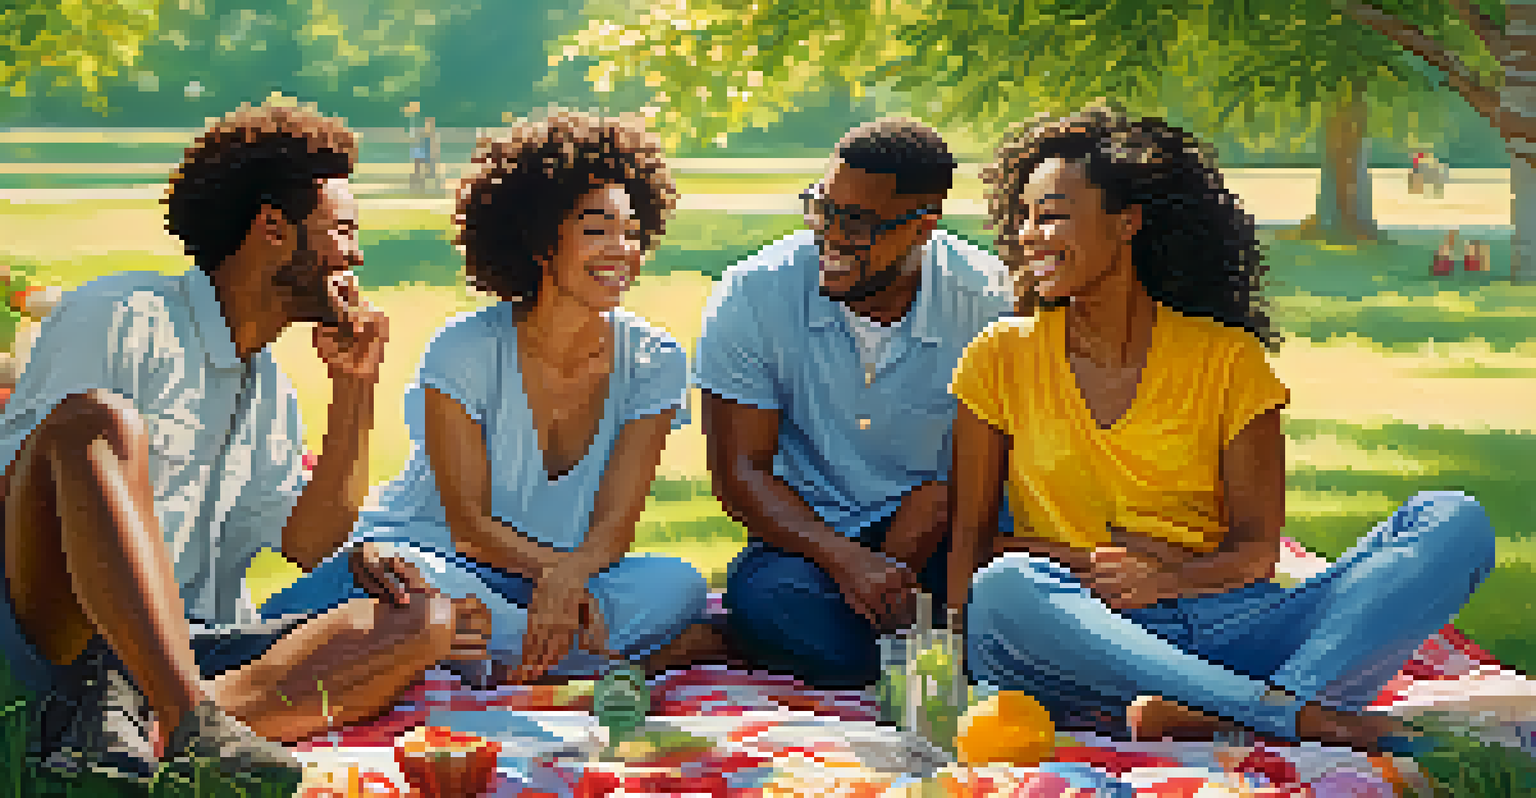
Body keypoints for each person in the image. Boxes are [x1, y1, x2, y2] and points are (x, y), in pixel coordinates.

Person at [948, 105, 1497, 751]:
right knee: (1005, 589)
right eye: (1025, 218)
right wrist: (1069, 572)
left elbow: (1258, 552)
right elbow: (974, 545)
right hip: (1083, 636)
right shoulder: (1000, 355)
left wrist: (1169, 580)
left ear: (1128, 222)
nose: (1030, 236)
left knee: (1452, 520)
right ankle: (1296, 714)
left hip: (1227, 627)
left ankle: (1230, 713)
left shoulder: (1227, 360)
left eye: (1054, 215)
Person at [0, 99, 495, 784]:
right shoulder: (120, 315)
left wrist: (355, 387)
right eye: (342, 230)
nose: (355, 254)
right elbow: (26, 498)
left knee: (424, 620)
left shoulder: (269, 391)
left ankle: (147, 731)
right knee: (99, 423)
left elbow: (310, 542)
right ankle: (185, 724)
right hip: (59, 641)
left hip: (189, 645)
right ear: (271, 228)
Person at [261, 110, 714, 686]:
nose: (621, 249)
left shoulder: (655, 359)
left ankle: (476, 651)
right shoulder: (465, 350)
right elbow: (470, 527)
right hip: (435, 559)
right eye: (597, 228)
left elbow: (614, 528)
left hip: (546, 580)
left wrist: (568, 578)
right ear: (541, 239)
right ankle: (578, 658)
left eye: (631, 231)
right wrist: (562, 580)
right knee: (410, 584)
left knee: (678, 583)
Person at [695, 118, 1016, 689]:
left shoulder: (989, 304)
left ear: (923, 228)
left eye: (860, 223)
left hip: (948, 536)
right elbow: (739, 472)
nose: (832, 236)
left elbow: (1001, 471)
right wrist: (848, 561)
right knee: (775, 600)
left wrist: (934, 517)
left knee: (1005, 604)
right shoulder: (752, 294)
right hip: (809, 540)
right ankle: (899, 651)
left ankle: (858, 648)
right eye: (823, 208)